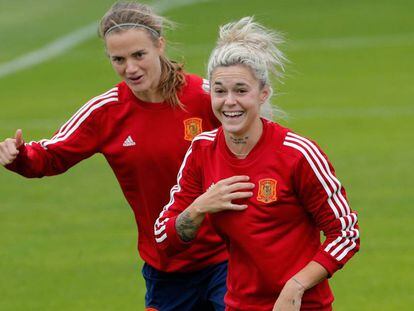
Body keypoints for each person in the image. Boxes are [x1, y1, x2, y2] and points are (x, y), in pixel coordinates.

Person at [0, 2, 228, 310]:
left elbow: (262, 147)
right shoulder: (106, 112)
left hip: (228, 257)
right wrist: (19, 157)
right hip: (166, 266)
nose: (130, 68)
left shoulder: (206, 97)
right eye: (118, 59)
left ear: (159, 44)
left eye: (138, 55)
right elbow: (52, 155)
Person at [154, 17, 360, 311]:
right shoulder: (202, 150)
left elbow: (346, 232)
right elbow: (164, 237)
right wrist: (200, 206)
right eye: (220, 91)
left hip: (302, 306)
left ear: (263, 94)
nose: (229, 102)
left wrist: (296, 286)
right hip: (239, 305)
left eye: (241, 90)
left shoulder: (297, 154)